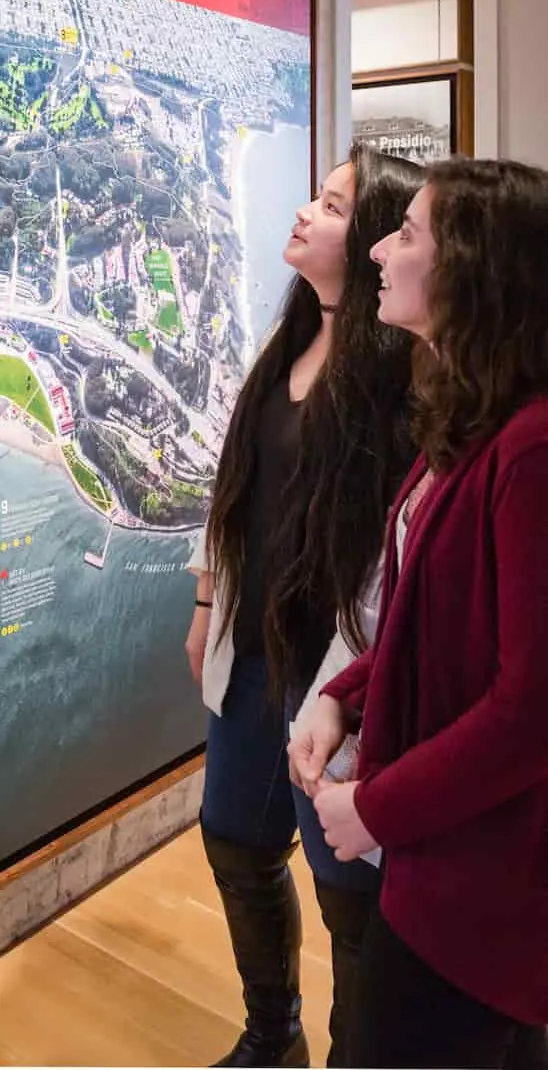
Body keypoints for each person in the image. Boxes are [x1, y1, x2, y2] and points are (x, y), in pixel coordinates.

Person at [290, 159, 548, 1070]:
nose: (378, 249)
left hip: (472, 887)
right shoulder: (476, 422)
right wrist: (345, 697)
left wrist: (377, 810)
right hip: (438, 864)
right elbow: (428, 623)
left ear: (472, 270)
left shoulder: (529, 449)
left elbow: (527, 711)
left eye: (408, 233)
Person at [187, 142, 423, 1067]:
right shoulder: (286, 341)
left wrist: (346, 690)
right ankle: (271, 1030)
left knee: (347, 890)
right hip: (252, 656)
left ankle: (348, 1055)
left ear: (367, 237)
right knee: (235, 842)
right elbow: (234, 487)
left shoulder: (399, 380)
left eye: (329, 206)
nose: (304, 214)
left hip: (337, 676)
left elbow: (388, 563)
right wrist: (208, 600)